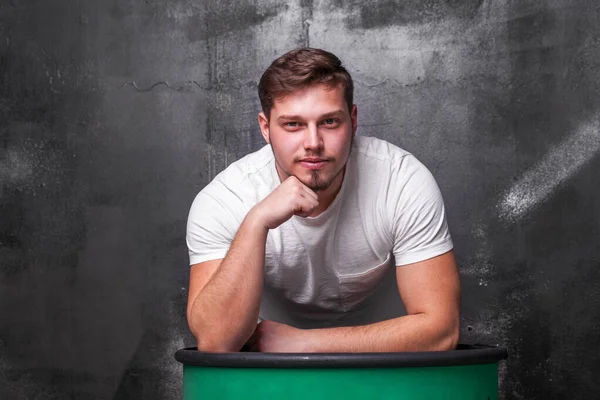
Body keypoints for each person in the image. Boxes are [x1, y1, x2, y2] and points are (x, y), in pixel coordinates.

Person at [185, 48, 461, 353]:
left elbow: (442, 331)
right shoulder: (226, 198)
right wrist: (256, 222)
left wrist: (305, 343)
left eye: (329, 122)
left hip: (388, 368)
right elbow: (215, 341)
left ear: (353, 120)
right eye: (293, 124)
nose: (313, 143)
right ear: (266, 128)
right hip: (267, 374)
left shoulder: (401, 180)